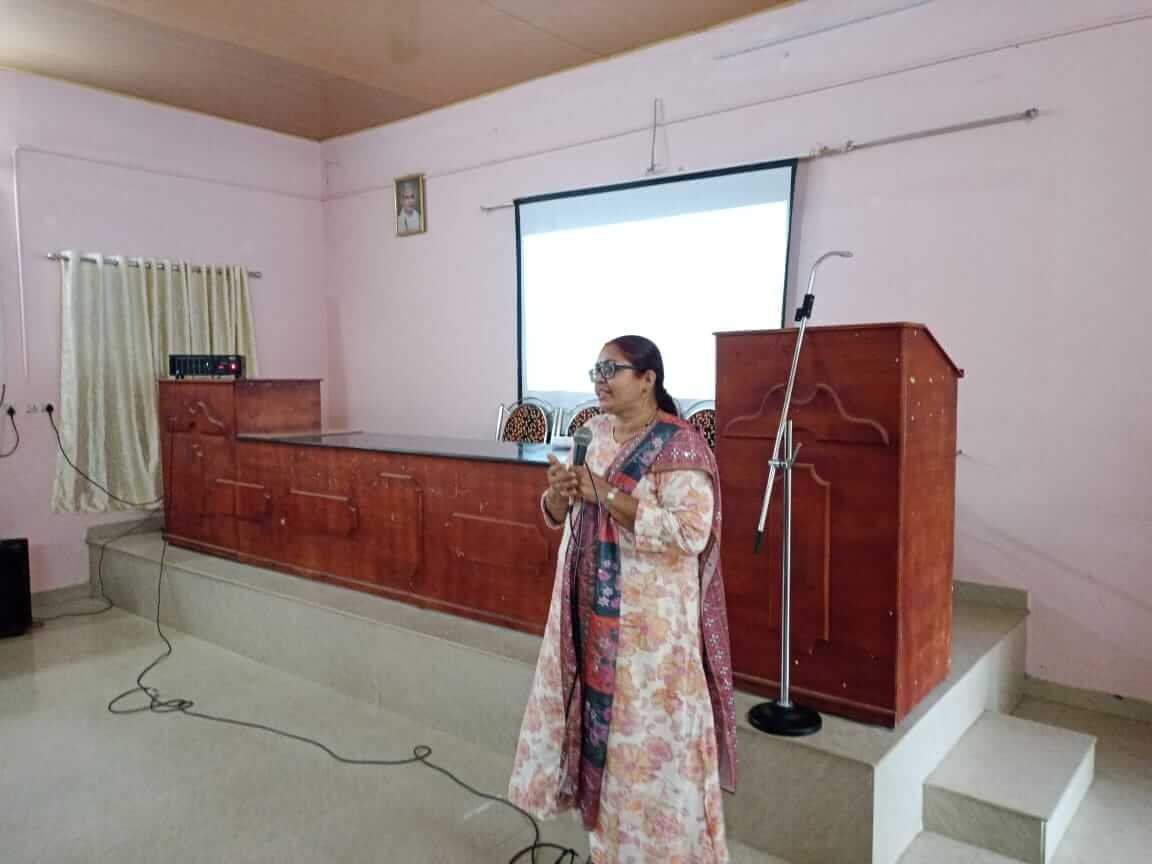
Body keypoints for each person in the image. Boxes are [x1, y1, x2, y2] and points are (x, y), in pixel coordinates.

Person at [509, 335, 737, 863]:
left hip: (648, 639)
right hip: (589, 618)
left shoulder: (680, 447)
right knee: (602, 743)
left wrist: (606, 494)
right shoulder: (591, 432)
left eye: (611, 369)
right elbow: (562, 513)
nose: (599, 379)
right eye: (595, 370)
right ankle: (607, 849)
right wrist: (558, 495)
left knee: (644, 747)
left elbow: (691, 533)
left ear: (647, 379)